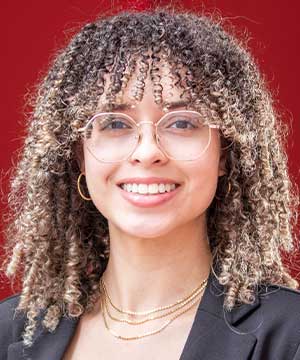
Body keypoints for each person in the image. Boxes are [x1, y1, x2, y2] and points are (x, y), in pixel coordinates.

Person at [1, 6, 300, 360]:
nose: (147, 152)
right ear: (80, 156)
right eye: (114, 123)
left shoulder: (290, 337)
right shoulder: (9, 331)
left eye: (182, 123)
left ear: (224, 155)